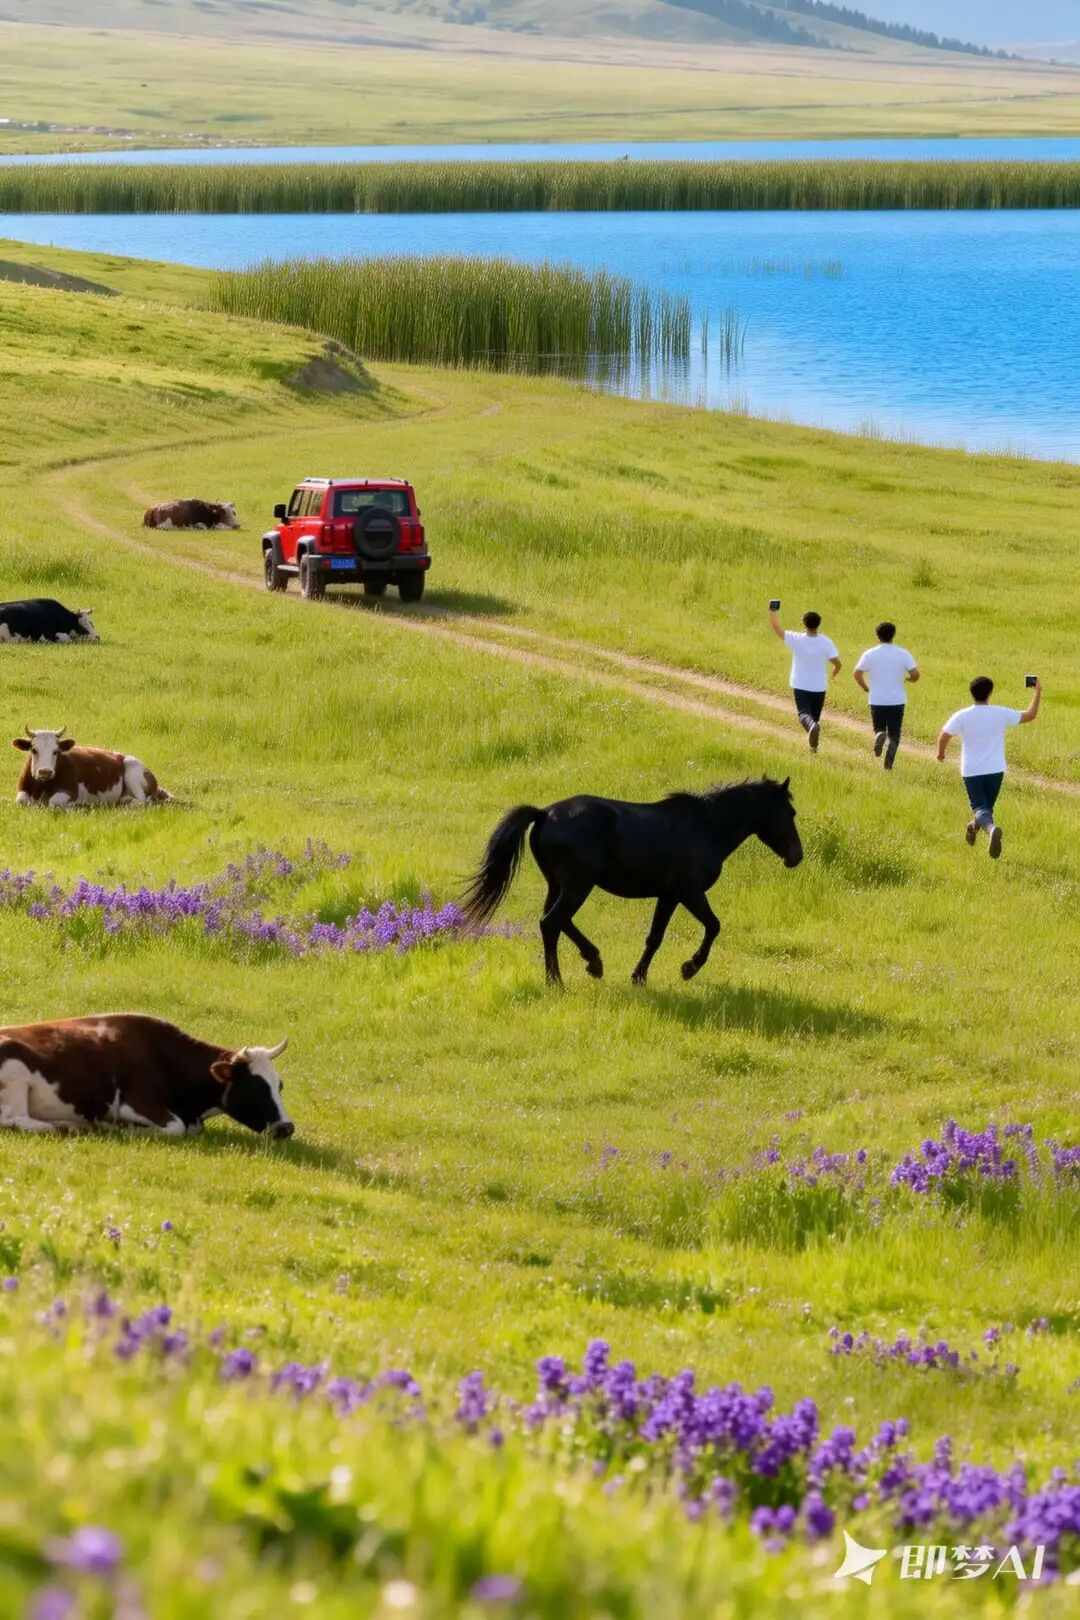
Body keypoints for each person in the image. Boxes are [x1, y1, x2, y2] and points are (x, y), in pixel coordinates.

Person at [936, 675, 1041, 859]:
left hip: (972, 770)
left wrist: (940, 754)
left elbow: (944, 736)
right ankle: (973, 827)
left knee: (980, 807)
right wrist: (1037, 691)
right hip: (996, 770)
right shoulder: (999, 713)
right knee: (986, 810)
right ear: (990, 693)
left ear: (972, 693)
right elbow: (1030, 715)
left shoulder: (962, 715)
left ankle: (991, 830)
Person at [769, 605, 841, 751]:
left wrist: (772, 611)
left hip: (800, 684)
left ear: (804, 623)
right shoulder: (826, 642)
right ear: (818, 623)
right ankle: (813, 749)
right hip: (819, 687)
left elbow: (777, 629)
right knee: (814, 718)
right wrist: (834, 672)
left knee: (804, 715)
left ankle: (812, 730)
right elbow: (838, 663)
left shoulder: (796, 639)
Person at [853, 621, 920, 771]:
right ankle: (888, 765)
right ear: (893, 635)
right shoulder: (903, 654)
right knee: (895, 735)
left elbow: (857, 673)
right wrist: (909, 679)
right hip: (897, 700)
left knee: (879, 728)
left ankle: (879, 735)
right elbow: (916, 674)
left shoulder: (870, 654)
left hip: (877, 699)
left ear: (877, 635)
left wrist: (865, 687)